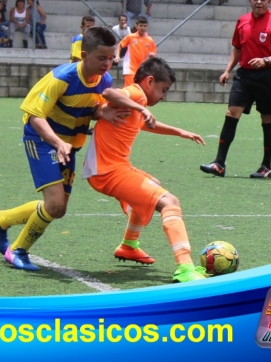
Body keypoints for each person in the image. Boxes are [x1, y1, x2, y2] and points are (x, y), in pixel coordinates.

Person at [0, 26, 129, 271]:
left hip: (68, 145)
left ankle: (1, 219)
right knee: (53, 204)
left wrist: (101, 113)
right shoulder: (61, 78)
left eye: (110, 58)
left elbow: (88, 107)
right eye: (101, 58)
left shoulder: (104, 80)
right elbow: (35, 116)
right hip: (42, 141)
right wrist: (58, 142)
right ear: (84, 55)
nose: (108, 63)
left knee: (58, 209)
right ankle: (18, 250)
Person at [83, 56, 209, 282]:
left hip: (110, 169)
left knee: (154, 186)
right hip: (107, 172)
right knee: (170, 202)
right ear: (150, 81)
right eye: (163, 90)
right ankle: (185, 267)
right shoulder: (136, 94)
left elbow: (146, 124)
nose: (163, 96)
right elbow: (109, 93)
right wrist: (140, 107)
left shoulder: (136, 101)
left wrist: (180, 132)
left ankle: (129, 245)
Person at [200, 0, 271, 179]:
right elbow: (237, 49)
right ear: (250, 0)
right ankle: (219, 164)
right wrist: (227, 70)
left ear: (269, 2)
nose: (259, 2)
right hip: (244, 76)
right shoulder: (242, 21)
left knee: (267, 118)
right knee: (231, 113)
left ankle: (266, 167)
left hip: (268, 76)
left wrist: (266, 60)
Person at [115, 16, 157, 87]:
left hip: (141, 68)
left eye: (144, 26)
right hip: (130, 67)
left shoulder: (149, 40)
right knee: (129, 87)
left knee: (138, 87)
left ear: (147, 27)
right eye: (141, 25)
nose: (142, 28)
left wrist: (152, 54)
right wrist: (117, 56)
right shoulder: (131, 37)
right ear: (136, 26)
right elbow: (120, 45)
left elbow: (153, 50)